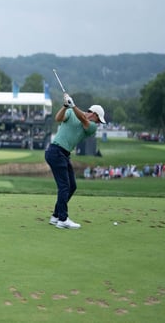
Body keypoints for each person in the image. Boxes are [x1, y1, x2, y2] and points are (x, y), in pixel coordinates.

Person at [45, 93, 106, 230]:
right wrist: (65, 106)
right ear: (95, 114)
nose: (98, 123)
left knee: (72, 186)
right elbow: (58, 118)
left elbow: (83, 119)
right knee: (64, 186)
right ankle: (63, 219)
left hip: (64, 154)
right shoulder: (71, 112)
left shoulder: (91, 127)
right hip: (56, 151)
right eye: (98, 120)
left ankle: (56, 216)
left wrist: (72, 106)